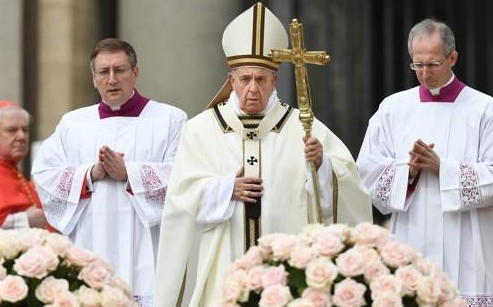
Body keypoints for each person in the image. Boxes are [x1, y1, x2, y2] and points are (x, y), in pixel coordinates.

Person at [154, 3, 372, 307]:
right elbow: (179, 200)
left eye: (261, 79)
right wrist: (225, 189)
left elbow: (349, 189)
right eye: (245, 79)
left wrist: (322, 166)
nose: (252, 89)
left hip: (288, 272)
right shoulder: (200, 130)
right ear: (232, 81)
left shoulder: (304, 128)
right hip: (223, 269)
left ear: (275, 81)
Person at [31, 38, 187, 306]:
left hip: (148, 245)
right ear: (94, 78)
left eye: (120, 70)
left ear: (135, 72)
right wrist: (91, 174)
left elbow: (184, 178)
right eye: (104, 72)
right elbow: (44, 176)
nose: (112, 79)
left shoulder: (170, 119)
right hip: (90, 241)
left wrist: (129, 173)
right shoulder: (73, 124)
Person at [357, 18, 493, 304]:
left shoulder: (484, 109)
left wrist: (443, 169)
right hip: (411, 233)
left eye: (432, 64)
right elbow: (367, 170)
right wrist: (409, 171)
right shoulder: (393, 109)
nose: (424, 73)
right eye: (417, 65)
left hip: (467, 240)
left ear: (452, 57)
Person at [0, 100, 47, 229]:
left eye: (25, 130)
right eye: (12, 130)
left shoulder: (16, 173)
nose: (21, 136)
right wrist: (24, 220)